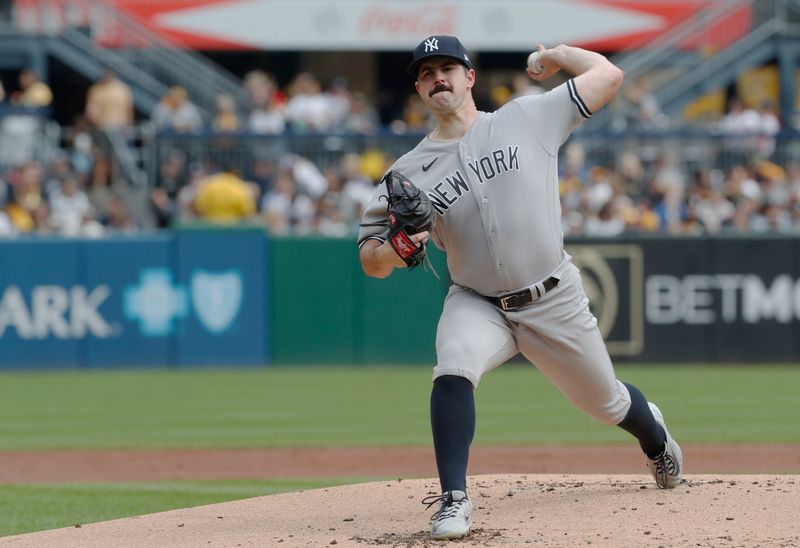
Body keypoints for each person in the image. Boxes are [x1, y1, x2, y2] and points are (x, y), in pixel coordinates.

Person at [357, 35, 684, 540]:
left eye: (448, 67)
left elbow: (608, 77)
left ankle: (656, 438)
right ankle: (453, 500)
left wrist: (556, 55)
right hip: (477, 300)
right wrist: (399, 247)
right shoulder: (407, 172)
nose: (438, 77)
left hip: (552, 296)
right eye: (427, 72)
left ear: (470, 77)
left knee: (607, 404)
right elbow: (370, 262)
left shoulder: (525, 118)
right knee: (454, 364)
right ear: (420, 89)